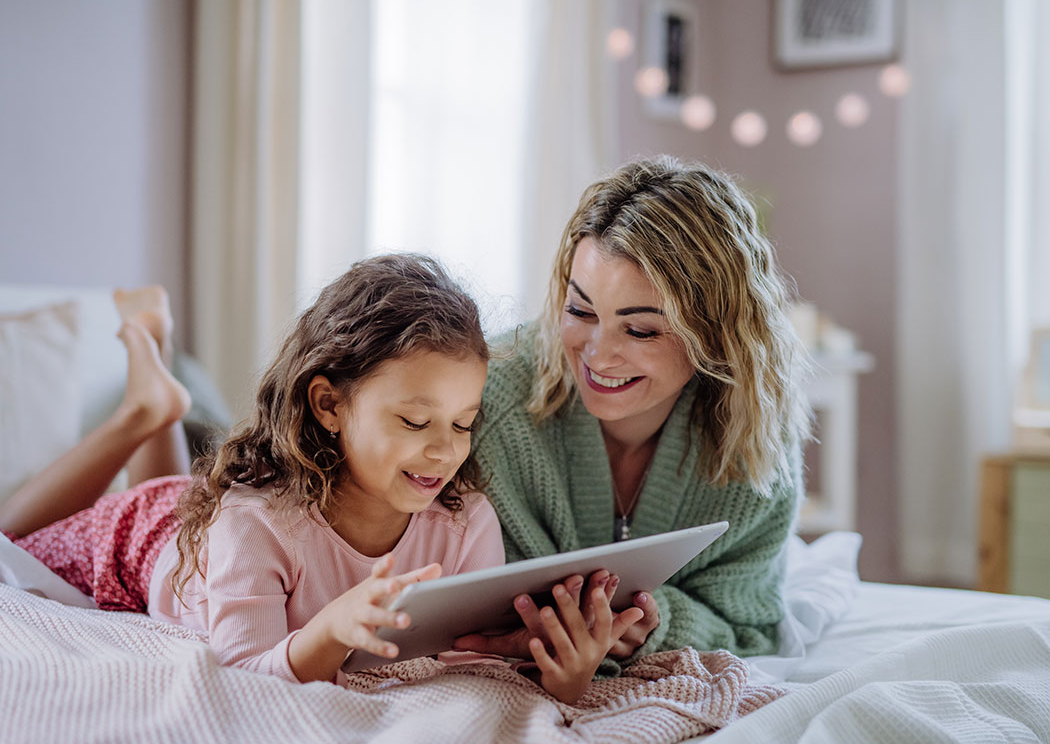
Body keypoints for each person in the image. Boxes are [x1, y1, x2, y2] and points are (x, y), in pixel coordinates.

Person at [1, 255, 642, 700]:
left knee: (188, 496)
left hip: (198, 526)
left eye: (464, 421)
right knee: (8, 539)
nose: (446, 451)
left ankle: (157, 397)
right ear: (329, 405)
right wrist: (329, 631)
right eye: (415, 421)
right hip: (142, 541)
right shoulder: (254, 525)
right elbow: (243, 674)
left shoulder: (463, 519)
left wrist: (560, 673)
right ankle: (143, 412)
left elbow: (469, 667)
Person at [454, 156, 812, 672]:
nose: (597, 355)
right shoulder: (485, 402)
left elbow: (750, 627)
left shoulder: (754, 444)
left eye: (641, 330)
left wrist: (656, 622)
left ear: (715, 332)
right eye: (580, 311)